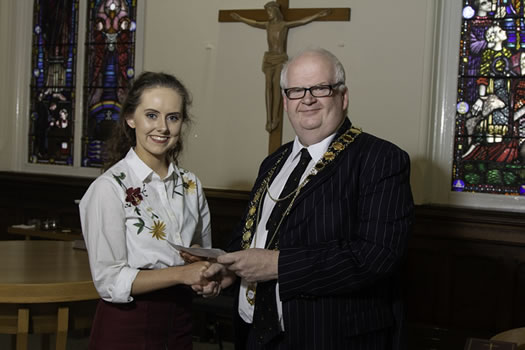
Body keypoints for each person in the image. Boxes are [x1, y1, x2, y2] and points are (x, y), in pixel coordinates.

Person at [197, 48, 414, 349]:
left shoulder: (380, 159)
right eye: (297, 90)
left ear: (343, 97)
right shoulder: (273, 162)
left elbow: (377, 256)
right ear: (286, 102)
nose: (307, 99)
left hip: (330, 337)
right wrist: (227, 269)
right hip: (256, 333)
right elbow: (251, 236)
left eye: (320, 88)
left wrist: (279, 265)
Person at [79, 71, 219, 350]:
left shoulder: (191, 184)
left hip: (180, 321)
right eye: (152, 115)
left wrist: (207, 276)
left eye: (173, 117)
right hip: (127, 324)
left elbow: (203, 253)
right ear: (131, 118)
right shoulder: (109, 188)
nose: (163, 128)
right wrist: (181, 274)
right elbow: (110, 280)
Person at [231, 2, 330, 133]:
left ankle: (275, 117)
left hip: (279, 58)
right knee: (268, 86)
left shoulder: (283, 25)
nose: (268, 15)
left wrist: (318, 15)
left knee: (277, 86)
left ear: (275, 11)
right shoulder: (267, 25)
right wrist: (240, 18)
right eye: (267, 12)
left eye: (270, 12)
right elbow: (254, 22)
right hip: (269, 58)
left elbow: (301, 21)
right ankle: (268, 118)